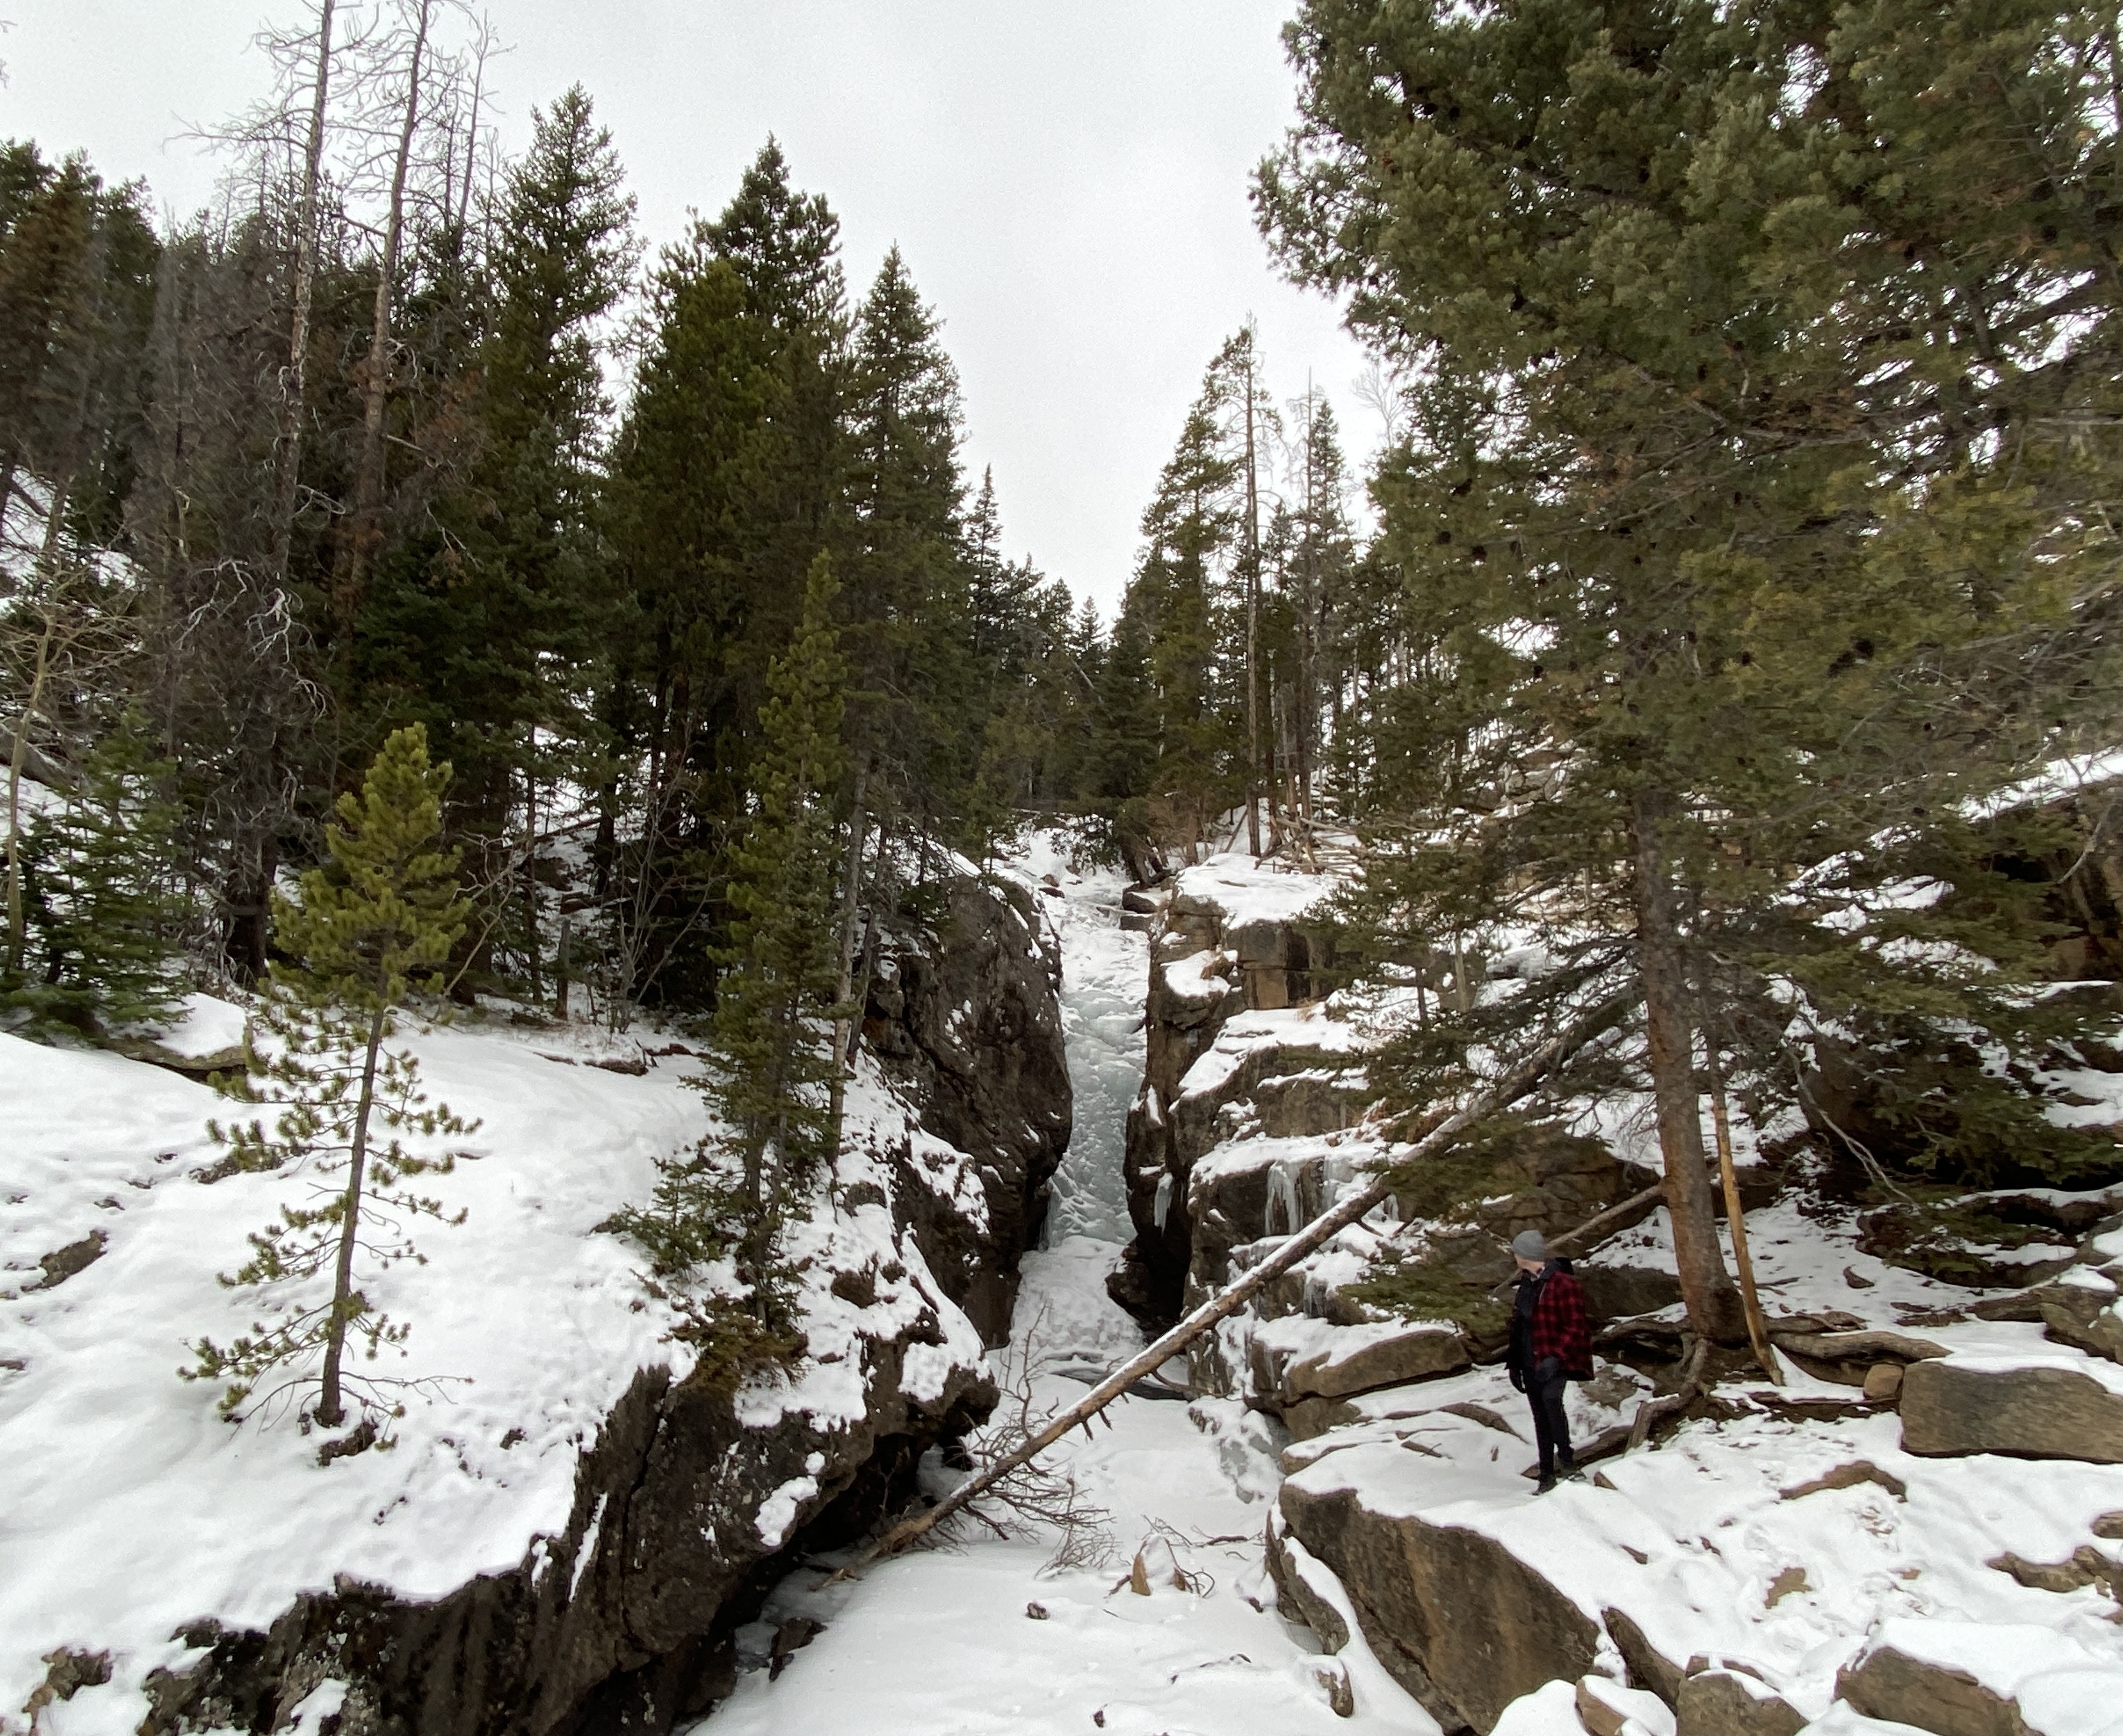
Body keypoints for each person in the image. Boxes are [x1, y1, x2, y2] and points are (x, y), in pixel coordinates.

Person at [1505, 1228, 1593, 1494]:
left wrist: (1556, 1358)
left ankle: (1567, 1461)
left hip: (1554, 1359)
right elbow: (1519, 1327)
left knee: (1552, 1402)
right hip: (1530, 1359)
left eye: (1517, 1252)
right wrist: (1515, 1364)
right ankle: (1546, 1474)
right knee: (1539, 1416)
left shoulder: (1563, 1284)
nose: (1515, 1256)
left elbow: (1576, 1325)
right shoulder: (1527, 1284)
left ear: (1525, 1254)